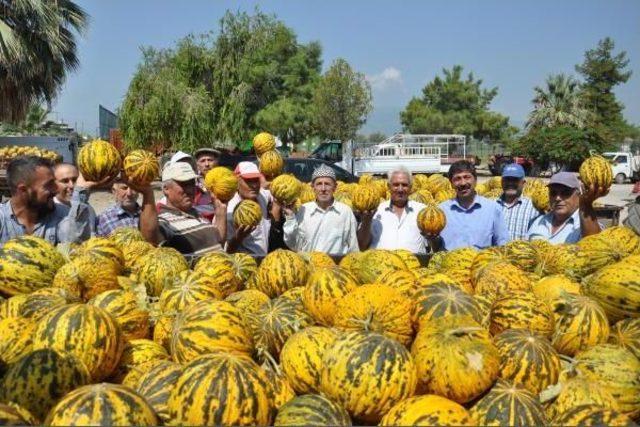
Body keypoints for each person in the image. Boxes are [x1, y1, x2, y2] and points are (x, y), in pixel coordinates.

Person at [0, 156, 105, 245]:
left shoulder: (63, 214)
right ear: (23, 190)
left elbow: (74, 243)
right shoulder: (2, 219)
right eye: (48, 185)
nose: (56, 190)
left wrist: (80, 194)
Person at [137, 162, 226, 256]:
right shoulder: (163, 221)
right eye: (184, 185)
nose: (190, 190)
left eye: (192, 184)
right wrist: (148, 193)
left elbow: (219, 242)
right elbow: (150, 238)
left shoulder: (198, 214)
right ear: (166, 189)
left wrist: (221, 212)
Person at [428, 160, 510, 251]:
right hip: (450, 264)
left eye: (467, 177)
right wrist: (432, 238)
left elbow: (502, 245)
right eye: (457, 179)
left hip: (482, 264)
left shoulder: (493, 208)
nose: (463, 183)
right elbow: (436, 249)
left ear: (475, 180)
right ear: (451, 184)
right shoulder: (441, 211)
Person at [282, 164, 358, 255]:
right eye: (319, 184)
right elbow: (294, 245)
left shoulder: (345, 212)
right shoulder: (304, 210)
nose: (323, 189)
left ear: (335, 187)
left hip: (335, 267)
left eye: (327, 184)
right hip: (309, 266)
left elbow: (353, 247)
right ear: (313, 187)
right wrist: (290, 217)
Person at [357, 166, 428, 254]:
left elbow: (432, 245)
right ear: (388, 186)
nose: (400, 189)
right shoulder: (375, 210)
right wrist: (367, 221)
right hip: (380, 265)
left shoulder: (422, 211)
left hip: (413, 266)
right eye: (396, 185)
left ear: (411, 187)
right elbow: (362, 246)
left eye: (404, 185)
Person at [527, 172, 606, 244]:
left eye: (565, 193)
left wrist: (586, 205)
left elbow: (595, 245)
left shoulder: (584, 224)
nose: (557, 198)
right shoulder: (538, 221)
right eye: (553, 193)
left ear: (578, 195)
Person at [226, 162, 278, 256]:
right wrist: (238, 238)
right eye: (249, 181)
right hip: (246, 263)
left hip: (264, 259)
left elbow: (276, 191)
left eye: (256, 180)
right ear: (237, 183)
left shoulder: (261, 195)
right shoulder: (230, 212)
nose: (254, 185)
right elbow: (226, 251)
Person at [496, 164, 540, 240]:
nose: (510, 183)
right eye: (507, 179)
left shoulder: (534, 208)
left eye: (514, 180)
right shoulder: (491, 206)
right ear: (502, 182)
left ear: (523, 183)